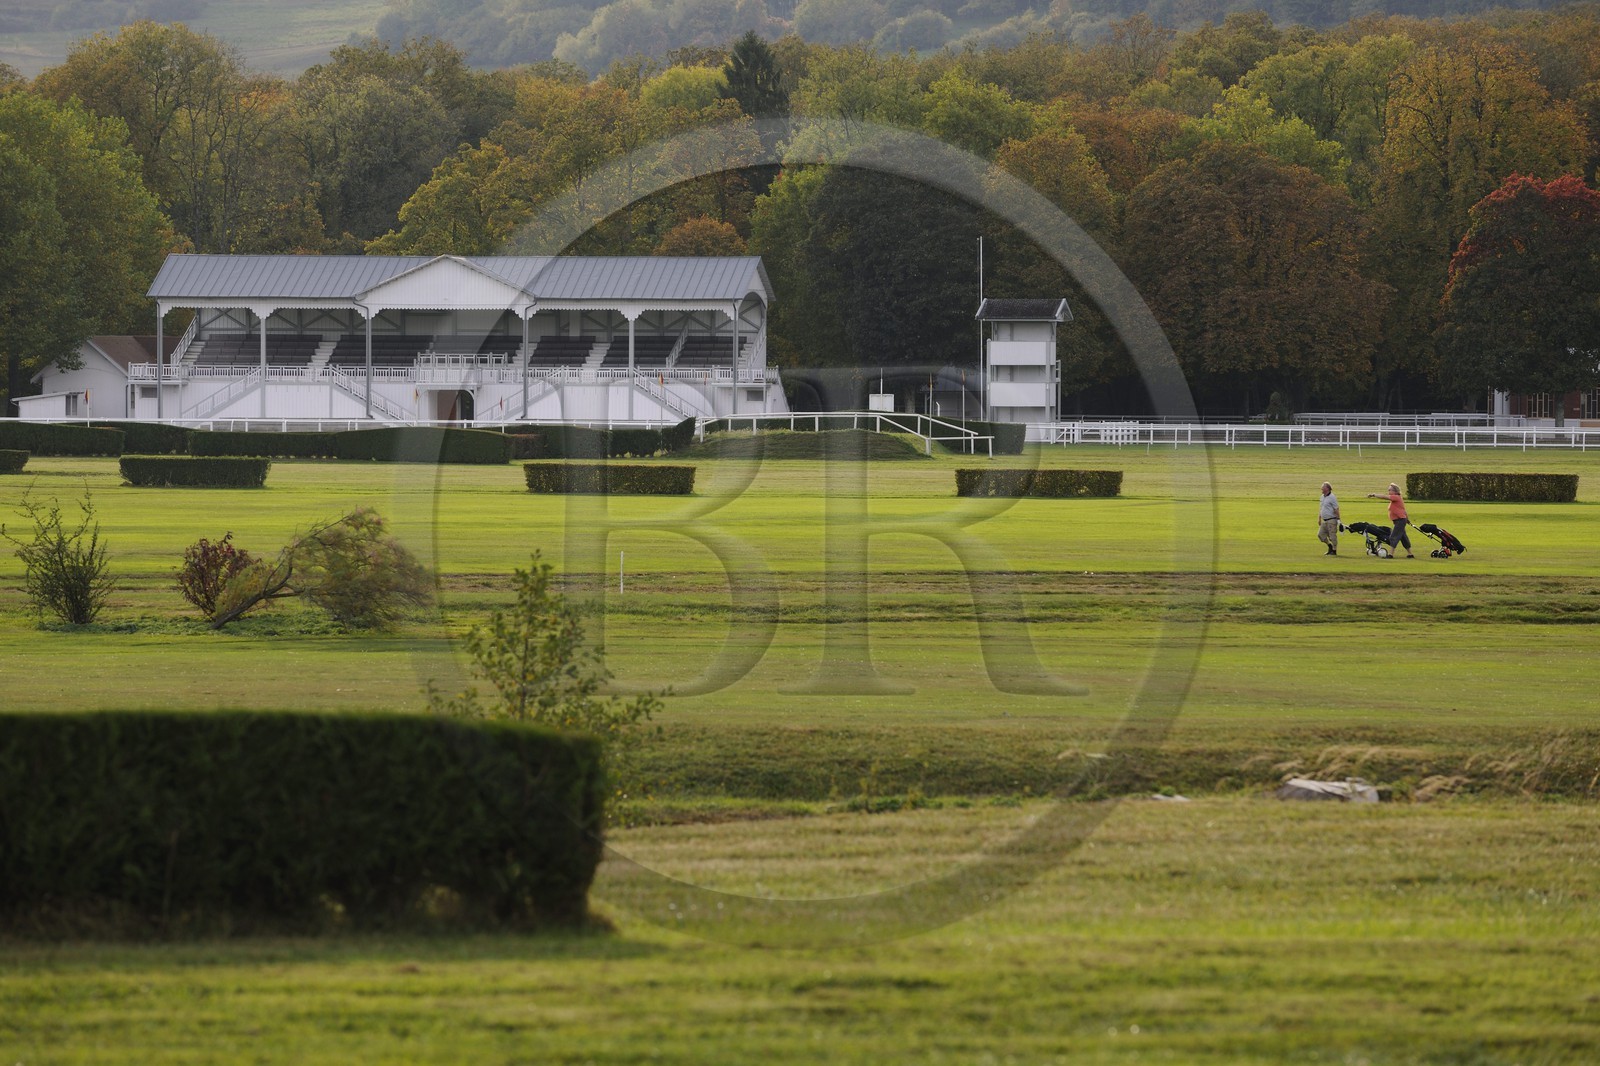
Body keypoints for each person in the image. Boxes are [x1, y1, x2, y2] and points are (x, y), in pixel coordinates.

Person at [1367, 482, 1413, 558]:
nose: (1389, 492)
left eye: (1390, 490)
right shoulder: (1397, 498)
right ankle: (1410, 554)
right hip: (1400, 520)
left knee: (1393, 537)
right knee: (1403, 537)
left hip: (1400, 520)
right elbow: (1403, 510)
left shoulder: (1396, 497)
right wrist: (1407, 519)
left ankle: (1391, 554)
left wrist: (1374, 495)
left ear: (1395, 491)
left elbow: (1384, 497)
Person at [1317, 482, 1340, 555]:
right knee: (1320, 534)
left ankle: (1334, 550)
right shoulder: (1322, 497)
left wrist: (1338, 519)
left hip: (1332, 520)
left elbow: (1336, 508)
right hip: (1324, 520)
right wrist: (1319, 518)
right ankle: (1329, 546)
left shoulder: (1332, 497)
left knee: (1332, 536)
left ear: (1327, 488)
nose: (1321, 489)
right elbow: (1321, 508)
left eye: (1322, 487)